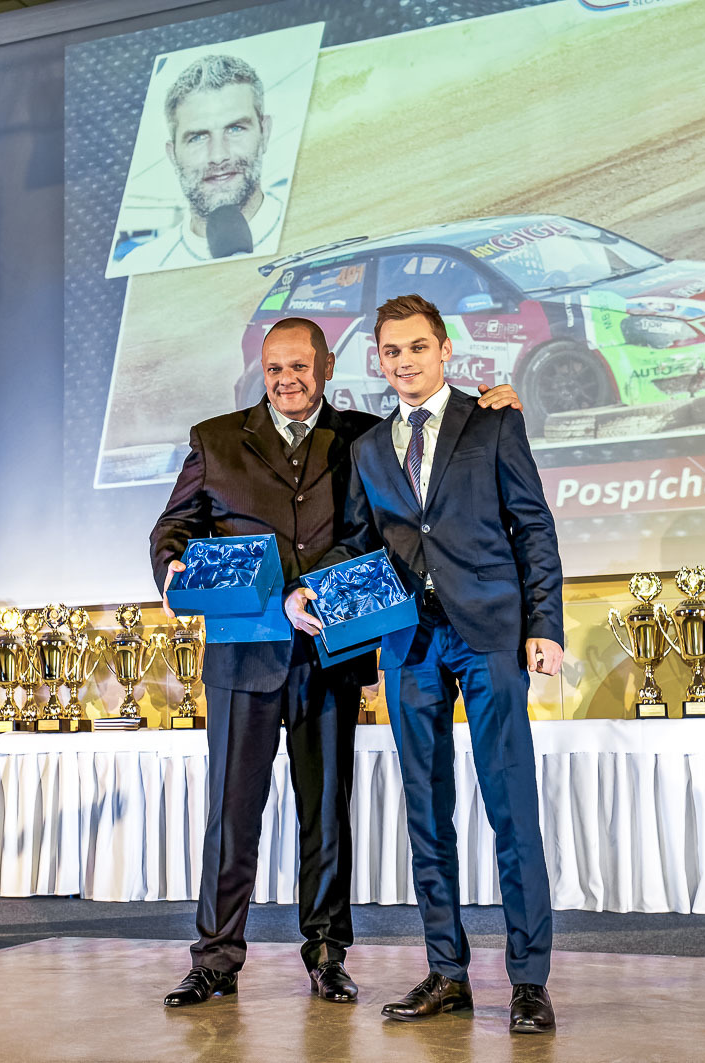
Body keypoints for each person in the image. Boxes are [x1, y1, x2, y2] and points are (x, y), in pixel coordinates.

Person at [149, 317, 523, 1008]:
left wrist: (492, 401)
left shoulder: (364, 436)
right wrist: (170, 564)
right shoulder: (215, 439)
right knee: (231, 813)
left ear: (325, 365)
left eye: (299, 366)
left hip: (331, 654)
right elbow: (174, 526)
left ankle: (326, 955)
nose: (286, 380)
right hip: (243, 659)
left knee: (326, 815)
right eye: (273, 369)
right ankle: (215, 958)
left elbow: (412, 477)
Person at [286, 293, 564, 1036]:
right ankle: (446, 971)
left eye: (416, 347)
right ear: (378, 361)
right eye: (391, 351)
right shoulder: (370, 448)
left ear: (444, 350)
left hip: (489, 635)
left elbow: (533, 527)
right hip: (410, 643)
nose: (404, 361)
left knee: (511, 808)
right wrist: (308, 586)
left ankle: (529, 980)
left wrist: (544, 625)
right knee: (425, 812)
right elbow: (358, 540)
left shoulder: (493, 421)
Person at [118, 54, 283, 271]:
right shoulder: (141, 268)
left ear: (265, 134)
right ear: (173, 155)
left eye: (235, 129)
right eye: (197, 137)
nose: (218, 156)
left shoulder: (315, 229)